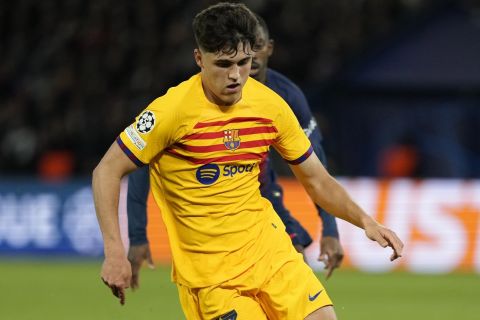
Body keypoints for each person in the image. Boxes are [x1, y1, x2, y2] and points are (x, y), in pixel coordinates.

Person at [93, 3, 403, 319]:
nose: (235, 75)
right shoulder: (170, 112)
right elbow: (106, 170)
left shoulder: (270, 106)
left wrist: (367, 222)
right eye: (223, 64)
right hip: (212, 277)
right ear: (199, 59)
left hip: (270, 253)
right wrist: (114, 250)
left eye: (243, 62)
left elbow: (317, 180)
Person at [126, 13, 344, 289]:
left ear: (268, 48)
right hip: (210, 217)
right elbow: (136, 161)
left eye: (255, 47)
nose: (246, 58)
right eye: (234, 54)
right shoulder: (192, 97)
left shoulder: (284, 97)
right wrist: (137, 234)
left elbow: (316, 169)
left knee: (295, 274)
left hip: (263, 201)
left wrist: (330, 228)